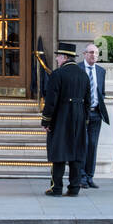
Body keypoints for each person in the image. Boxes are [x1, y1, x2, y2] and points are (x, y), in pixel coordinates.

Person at [41, 42, 90, 196]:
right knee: (76, 153)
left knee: (59, 152)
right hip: (79, 117)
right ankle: (74, 188)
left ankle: (56, 188)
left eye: (58, 57)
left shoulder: (57, 74)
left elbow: (51, 101)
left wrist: (46, 121)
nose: (56, 59)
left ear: (64, 57)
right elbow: (88, 100)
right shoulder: (83, 75)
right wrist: (85, 120)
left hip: (61, 117)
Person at [79, 42, 109, 189]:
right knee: (82, 145)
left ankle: (90, 176)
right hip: (81, 114)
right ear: (84, 54)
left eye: (96, 53)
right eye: (91, 52)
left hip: (96, 114)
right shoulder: (78, 69)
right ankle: (81, 176)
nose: (93, 55)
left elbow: (102, 92)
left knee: (92, 145)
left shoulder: (101, 71)